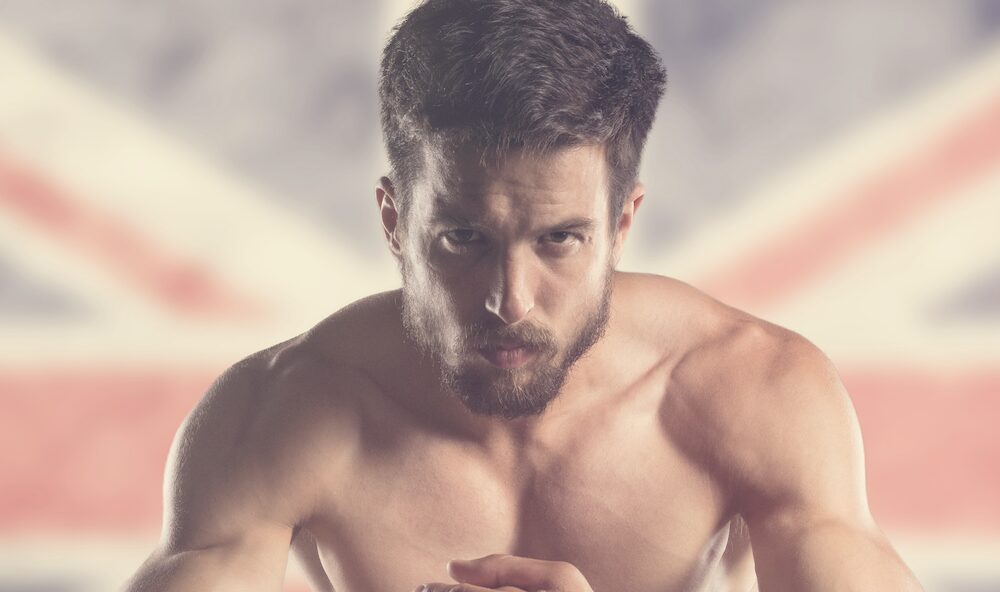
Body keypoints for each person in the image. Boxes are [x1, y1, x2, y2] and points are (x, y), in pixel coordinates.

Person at [121, 1, 925, 590]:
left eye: (558, 240)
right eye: (464, 239)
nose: (509, 301)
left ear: (621, 223)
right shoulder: (277, 417)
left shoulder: (756, 395)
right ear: (396, 221)